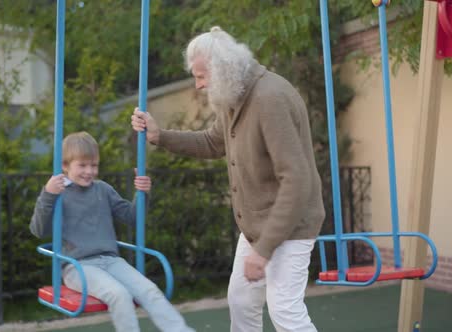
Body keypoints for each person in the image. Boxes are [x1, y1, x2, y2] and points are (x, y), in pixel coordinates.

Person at [131, 26, 325, 332]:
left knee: (285, 310)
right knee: (241, 303)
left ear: (222, 70)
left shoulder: (269, 98)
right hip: (256, 225)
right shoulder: (234, 96)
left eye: (200, 76)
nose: (197, 85)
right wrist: (160, 136)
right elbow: (212, 143)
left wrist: (263, 250)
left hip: (290, 225)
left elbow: (297, 180)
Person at [29, 131, 194, 332]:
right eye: (82, 165)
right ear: (65, 166)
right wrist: (48, 194)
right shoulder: (58, 193)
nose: (89, 171)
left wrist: (142, 194)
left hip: (111, 260)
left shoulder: (103, 189)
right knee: (119, 294)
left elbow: (132, 218)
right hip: (78, 267)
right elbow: (38, 230)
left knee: (150, 290)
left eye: (94, 165)